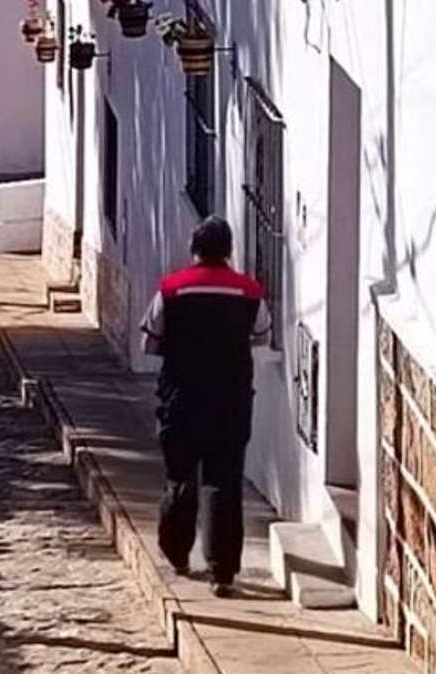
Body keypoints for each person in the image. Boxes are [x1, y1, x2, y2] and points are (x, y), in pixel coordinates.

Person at [140, 215, 271, 597]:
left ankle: (177, 552)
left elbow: (150, 342)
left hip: (180, 399)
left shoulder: (171, 290)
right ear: (229, 251)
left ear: (194, 250)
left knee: (180, 476)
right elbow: (260, 338)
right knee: (224, 482)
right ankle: (222, 571)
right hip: (230, 401)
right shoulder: (250, 293)